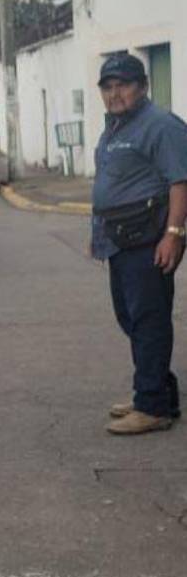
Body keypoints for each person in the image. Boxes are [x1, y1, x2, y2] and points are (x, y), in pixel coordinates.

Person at [91, 53, 187, 436]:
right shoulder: (116, 126)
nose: (115, 93)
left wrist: (174, 235)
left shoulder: (160, 125)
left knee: (148, 320)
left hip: (148, 239)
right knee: (131, 318)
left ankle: (152, 406)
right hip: (120, 240)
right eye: (108, 86)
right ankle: (158, 393)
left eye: (123, 85)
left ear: (142, 87)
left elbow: (180, 182)